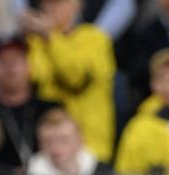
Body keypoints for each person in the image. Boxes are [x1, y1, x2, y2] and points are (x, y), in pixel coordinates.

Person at [21, 0, 116, 161]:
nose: (51, 8)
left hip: (90, 146)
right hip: (46, 148)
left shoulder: (95, 38)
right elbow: (30, 82)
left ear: (77, 5)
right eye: (47, 3)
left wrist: (51, 38)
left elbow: (76, 78)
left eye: (58, 3)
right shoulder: (34, 43)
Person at [0, 34, 60, 175]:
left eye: (15, 60)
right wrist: (9, 173)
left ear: (28, 66)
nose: (9, 68)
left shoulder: (51, 109)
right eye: (2, 61)